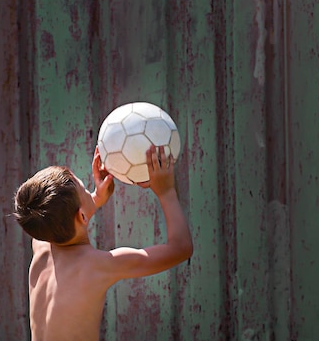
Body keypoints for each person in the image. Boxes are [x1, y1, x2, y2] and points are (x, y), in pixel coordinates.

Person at [13, 145, 193, 341]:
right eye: (84, 189)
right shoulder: (99, 265)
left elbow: (59, 217)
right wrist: (166, 191)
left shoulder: (41, 244)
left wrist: (95, 198)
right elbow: (181, 248)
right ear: (81, 215)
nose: (89, 191)